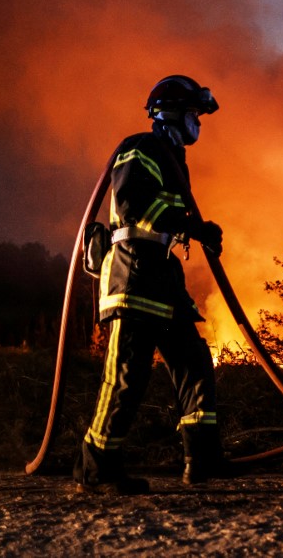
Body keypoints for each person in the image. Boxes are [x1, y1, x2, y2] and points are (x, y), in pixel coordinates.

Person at [74, 74, 234, 494]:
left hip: (163, 278)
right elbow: (133, 207)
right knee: (128, 377)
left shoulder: (174, 158)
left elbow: (170, 216)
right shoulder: (139, 148)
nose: (197, 121)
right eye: (193, 113)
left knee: (196, 364)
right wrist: (190, 224)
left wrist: (195, 229)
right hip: (132, 277)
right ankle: (97, 467)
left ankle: (202, 459)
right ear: (171, 113)